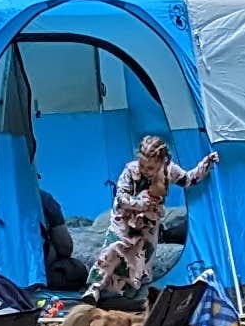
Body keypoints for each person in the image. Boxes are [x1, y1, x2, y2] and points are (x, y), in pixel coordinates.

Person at [85, 129, 216, 311]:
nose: (145, 171)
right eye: (142, 165)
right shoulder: (130, 170)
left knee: (141, 259)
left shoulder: (169, 170)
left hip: (149, 223)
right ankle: (94, 289)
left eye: (150, 168)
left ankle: (127, 296)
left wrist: (206, 164)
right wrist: (140, 203)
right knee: (113, 249)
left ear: (161, 162)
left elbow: (188, 179)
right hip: (124, 220)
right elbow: (121, 197)